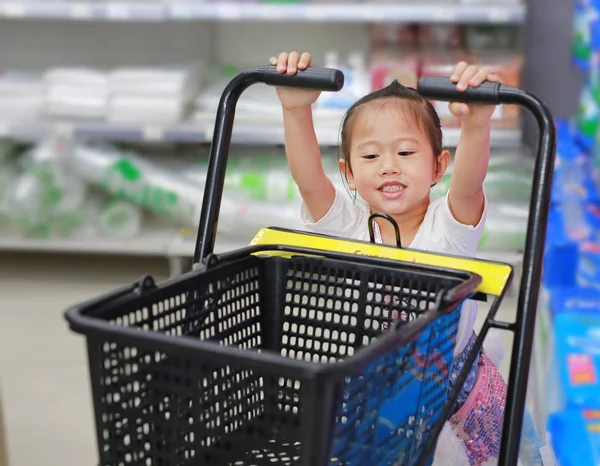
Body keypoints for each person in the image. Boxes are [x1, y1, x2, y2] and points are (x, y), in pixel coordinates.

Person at [269, 51, 520, 466]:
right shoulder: (349, 227)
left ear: (439, 166)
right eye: (370, 157)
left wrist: (476, 123)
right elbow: (310, 180)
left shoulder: (448, 227)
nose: (388, 167)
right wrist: (296, 111)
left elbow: (470, 186)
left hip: (450, 390)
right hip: (376, 377)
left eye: (405, 153)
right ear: (349, 173)